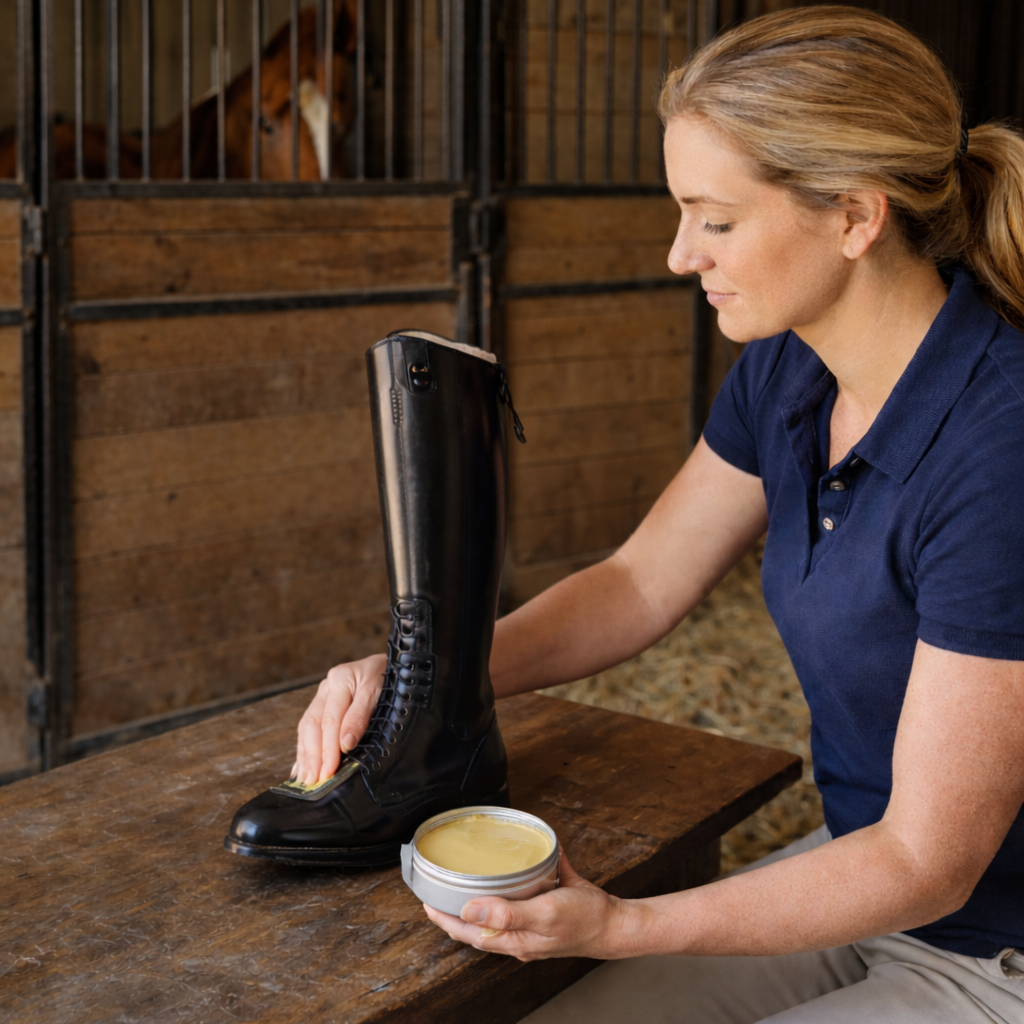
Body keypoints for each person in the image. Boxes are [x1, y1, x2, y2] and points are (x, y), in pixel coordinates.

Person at [291, 7, 1024, 1021]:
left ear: (855, 216)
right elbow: (641, 582)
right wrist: (431, 676)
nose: (683, 256)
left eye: (714, 219)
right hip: (855, 889)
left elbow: (929, 861)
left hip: (991, 948)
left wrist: (622, 925)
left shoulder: (1000, 450)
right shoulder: (785, 371)